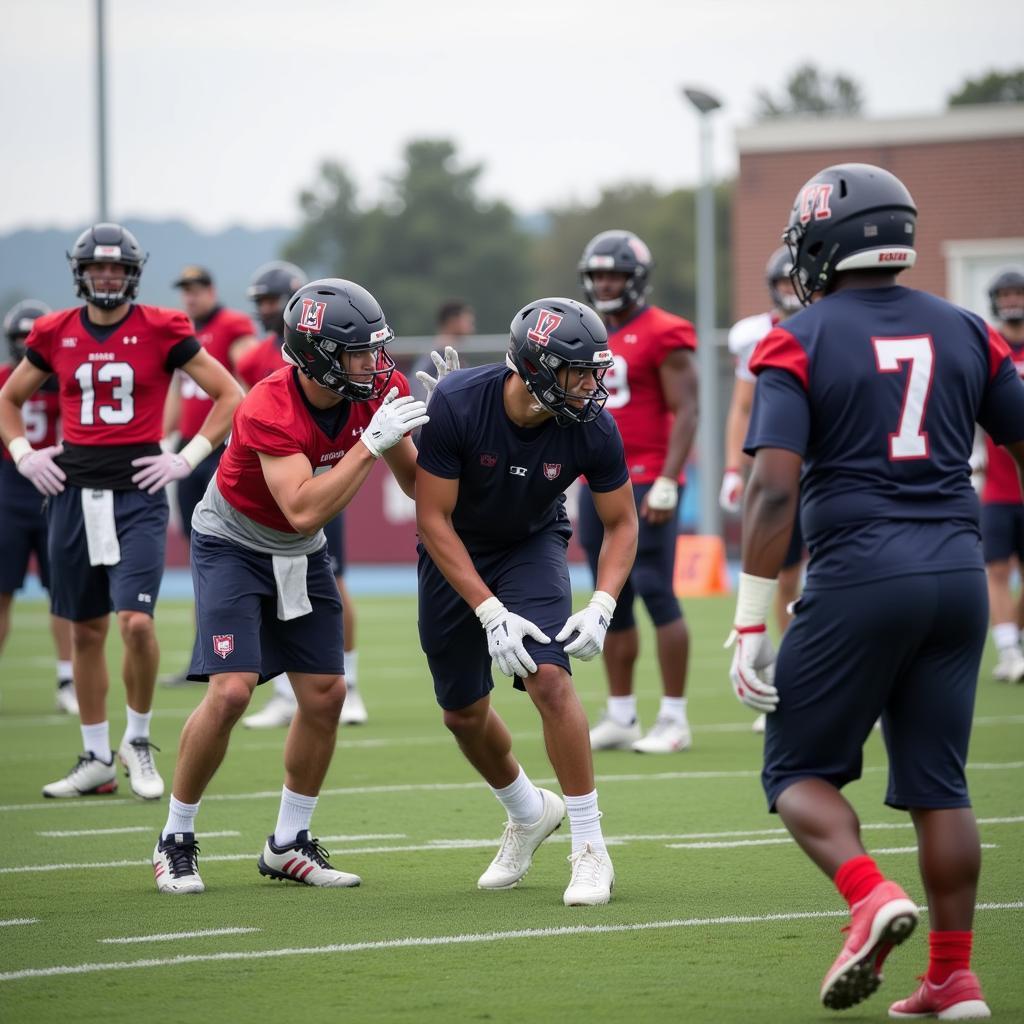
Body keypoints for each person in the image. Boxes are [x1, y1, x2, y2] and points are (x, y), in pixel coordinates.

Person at [729, 163, 1022, 1018]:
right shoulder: (971, 329)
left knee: (794, 769)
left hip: (860, 571)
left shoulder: (796, 337)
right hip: (960, 574)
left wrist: (751, 617)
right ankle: (953, 976)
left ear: (823, 240)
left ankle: (866, 894)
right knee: (941, 783)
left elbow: (774, 489)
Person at [152, 278, 428, 894]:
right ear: (317, 356)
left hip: (300, 552)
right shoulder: (267, 405)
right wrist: (369, 443)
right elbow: (303, 507)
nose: (375, 364)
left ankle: (288, 843)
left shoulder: (380, 386)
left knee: (327, 694)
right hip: (235, 542)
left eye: (375, 349)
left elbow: (412, 484)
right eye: (358, 352)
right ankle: (175, 837)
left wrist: (434, 427)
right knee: (230, 692)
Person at [0, 223, 241, 800]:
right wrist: (22, 453)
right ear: (80, 273)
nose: (106, 276)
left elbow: (229, 393)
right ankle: (94, 756)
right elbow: (9, 398)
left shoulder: (162, 326)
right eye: (96, 268)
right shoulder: (55, 330)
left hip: (138, 490)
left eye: (115, 268)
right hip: (73, 492)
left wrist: (186, 458)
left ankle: (136, 739)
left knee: (135, 622)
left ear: (130, 273)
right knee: (85, 629)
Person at [415, 297, 638, 906]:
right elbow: (432, 518)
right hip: (455, 547)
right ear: (537, 367)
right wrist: (489, 611)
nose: (594, 385)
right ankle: (527, 810)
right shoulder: (460, 403)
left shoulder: (590, 423)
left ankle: (590, 846)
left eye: (598, 369)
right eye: (580, 371)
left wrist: (602, 605)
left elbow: (621, 523)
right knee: (461, 713)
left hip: (532, 544)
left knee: (548, 678)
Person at [575, 231, 698, 754]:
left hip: (646, 477)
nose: (606, 283)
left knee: (656, 591)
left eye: (615, 275)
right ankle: (622, 712)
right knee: (610, 597)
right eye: (599, 274)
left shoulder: (664, 332)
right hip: (593, 478)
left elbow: (688, 409)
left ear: (637, 280)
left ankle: (674, 717)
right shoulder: (584, 332)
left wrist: (670, 478)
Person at [234, 262, 368, 728]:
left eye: (273, 300)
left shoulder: (368, 376)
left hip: (329, 471)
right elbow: (263, 421)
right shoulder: (256, 364)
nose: (266, 310)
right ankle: (284, 693)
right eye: (263, 302)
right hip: (276, 483)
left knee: (333, 579)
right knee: (268, 595)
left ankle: (348, 682)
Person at [159, 265, 258, 686]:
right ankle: (206, 653)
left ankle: (240, 650)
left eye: (197, 289)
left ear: (211, 290)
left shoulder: (232, 325)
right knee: (203, 551)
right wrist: (165, 439)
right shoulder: (180, 331)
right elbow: (178, 391)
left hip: (223, 449)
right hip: (188, 453)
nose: (191, 296)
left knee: (232, 547)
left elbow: (251, 371)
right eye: (185, 289)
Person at [720, 247, 805, 733]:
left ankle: (855, 686)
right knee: (787, 578)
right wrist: (735, 469)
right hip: (782, 466)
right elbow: (743, 406)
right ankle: (793, 680)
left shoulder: (828, 325)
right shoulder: (756, 335)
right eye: (785, 282)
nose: (793, 291)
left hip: (830, 468)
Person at [0, 300, 77, 713]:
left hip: (56, 489)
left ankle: (67, 678)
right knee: (2, 593)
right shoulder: (5, 381)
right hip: (10, 490)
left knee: (61, 592)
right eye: (20, 339)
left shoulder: (69, 379)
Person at [977, 268, 1024, 683]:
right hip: (998, 484)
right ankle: (1009, 651)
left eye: (1017, 293)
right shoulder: (988, 344)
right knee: (995, 569)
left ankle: (1016, 636)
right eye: (1005, 293)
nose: (1011, 300)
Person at [411, 300, 476, 403]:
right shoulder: (435, 353)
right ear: (453, 321)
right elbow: (416, 385)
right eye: (468, 322)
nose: (472, 328)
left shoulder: (458, 351)